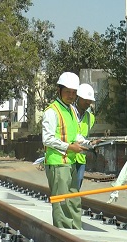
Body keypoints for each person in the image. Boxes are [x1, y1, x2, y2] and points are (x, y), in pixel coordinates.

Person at [42, 72, 93, 229]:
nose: (71, 96)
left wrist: (89, 143)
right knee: (62, 203)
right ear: (59, 91)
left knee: (74, 200)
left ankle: (76, 233)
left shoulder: (71, 110)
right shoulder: (52, 111)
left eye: (73, 93)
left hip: (69, 163)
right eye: (67, 92)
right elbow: (47, 139)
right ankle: (64, 236)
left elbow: (74, 134)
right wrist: (70, 147)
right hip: (57, 164)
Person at [74, 83, 96, 190]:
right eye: (85, 100)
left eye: (89, 100)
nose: (88, 103)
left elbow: (85, 136)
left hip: (81, 158)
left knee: (76, 191)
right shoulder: (69, 112)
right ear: (78, 97)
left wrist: (91, 143)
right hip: (68, 157)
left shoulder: (90, 118)